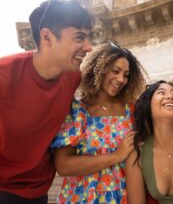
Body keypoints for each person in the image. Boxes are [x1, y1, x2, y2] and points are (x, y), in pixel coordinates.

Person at [0, 0, 94, 202]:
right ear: (47, 37)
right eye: (79, 37)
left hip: (40, 192)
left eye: (88, 38)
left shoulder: (73, 77)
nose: (89, 47)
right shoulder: (4, 75)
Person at [51, 42, 147, 203]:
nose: (121, 79)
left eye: (126, 75)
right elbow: (63, 165)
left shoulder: (131, 108)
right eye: (115, 71)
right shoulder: (77, 110)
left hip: (122, 197)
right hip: (82, 198)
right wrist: (115, 156)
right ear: (100, 69)